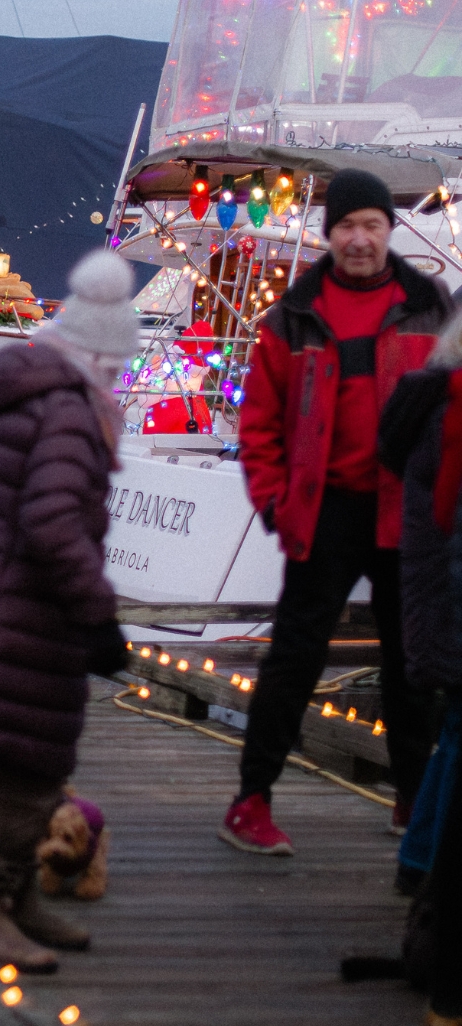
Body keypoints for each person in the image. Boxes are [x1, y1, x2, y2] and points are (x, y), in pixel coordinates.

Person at [0, 249, 134, 973]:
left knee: (24, 772)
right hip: (25, 620)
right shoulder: (69, 411)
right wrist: (99, 614)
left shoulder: (26, 393)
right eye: (118, 368)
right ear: (100, 357)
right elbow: (52, 523)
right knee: (27, 781)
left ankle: (17, 900)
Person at [225, 168, 454, 855]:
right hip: (324, 511)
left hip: (406, 511)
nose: (359, 239)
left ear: (390, 231)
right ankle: (250, 802)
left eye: (372, 225)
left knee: (412, 665)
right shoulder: (292, 316)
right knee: (293, 660)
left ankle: (412, 802)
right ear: (330, 233)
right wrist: (274, 503)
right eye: (347, 226)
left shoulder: (430, 305)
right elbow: (258, 426)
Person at [379, 322, 462, 896]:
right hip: (450, 596)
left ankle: (420, 858)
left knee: (455, 728)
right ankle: (428, 861)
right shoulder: (448, 416)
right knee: (457, 732)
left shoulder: (435, 404)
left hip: (437, 592)